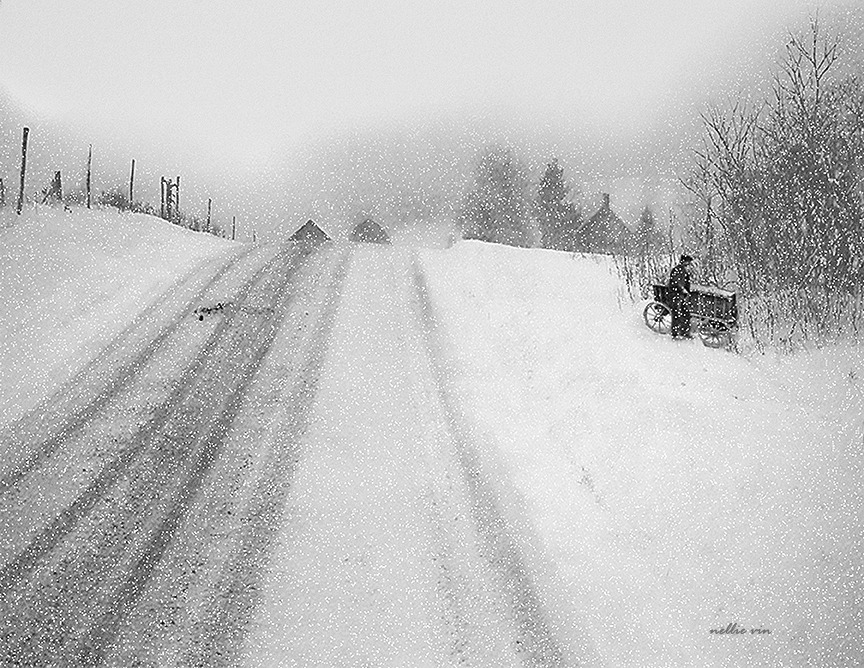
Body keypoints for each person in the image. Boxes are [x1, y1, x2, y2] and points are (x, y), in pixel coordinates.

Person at [668, 254, 694, 339]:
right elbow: (676, 282)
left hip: (681, 295)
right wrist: (682, 289)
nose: (688, 264)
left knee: (686, 313)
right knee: (676, 313)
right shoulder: (677, 270)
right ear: (683, 261)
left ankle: (684, 332)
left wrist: (687, 291)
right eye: (688, 262)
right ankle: (675, 333)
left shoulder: (684, 271)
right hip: (675, 294)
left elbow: (686, 283)